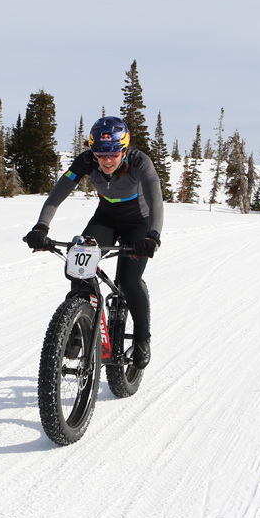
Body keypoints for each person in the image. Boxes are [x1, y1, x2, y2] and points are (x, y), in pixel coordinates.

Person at [23, 116, 162, 369]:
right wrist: (41, 226)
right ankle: (78, 323)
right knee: (79, 265)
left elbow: (155, 200)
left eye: (113, 153)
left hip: (138, 224)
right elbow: (58, 193)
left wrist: (152, 235)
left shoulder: (140, 161)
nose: (106, 160)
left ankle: (142, 338)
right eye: (100, 154)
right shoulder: (86, 161)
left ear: (124, 148)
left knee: (129, 281)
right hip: (106, 218)